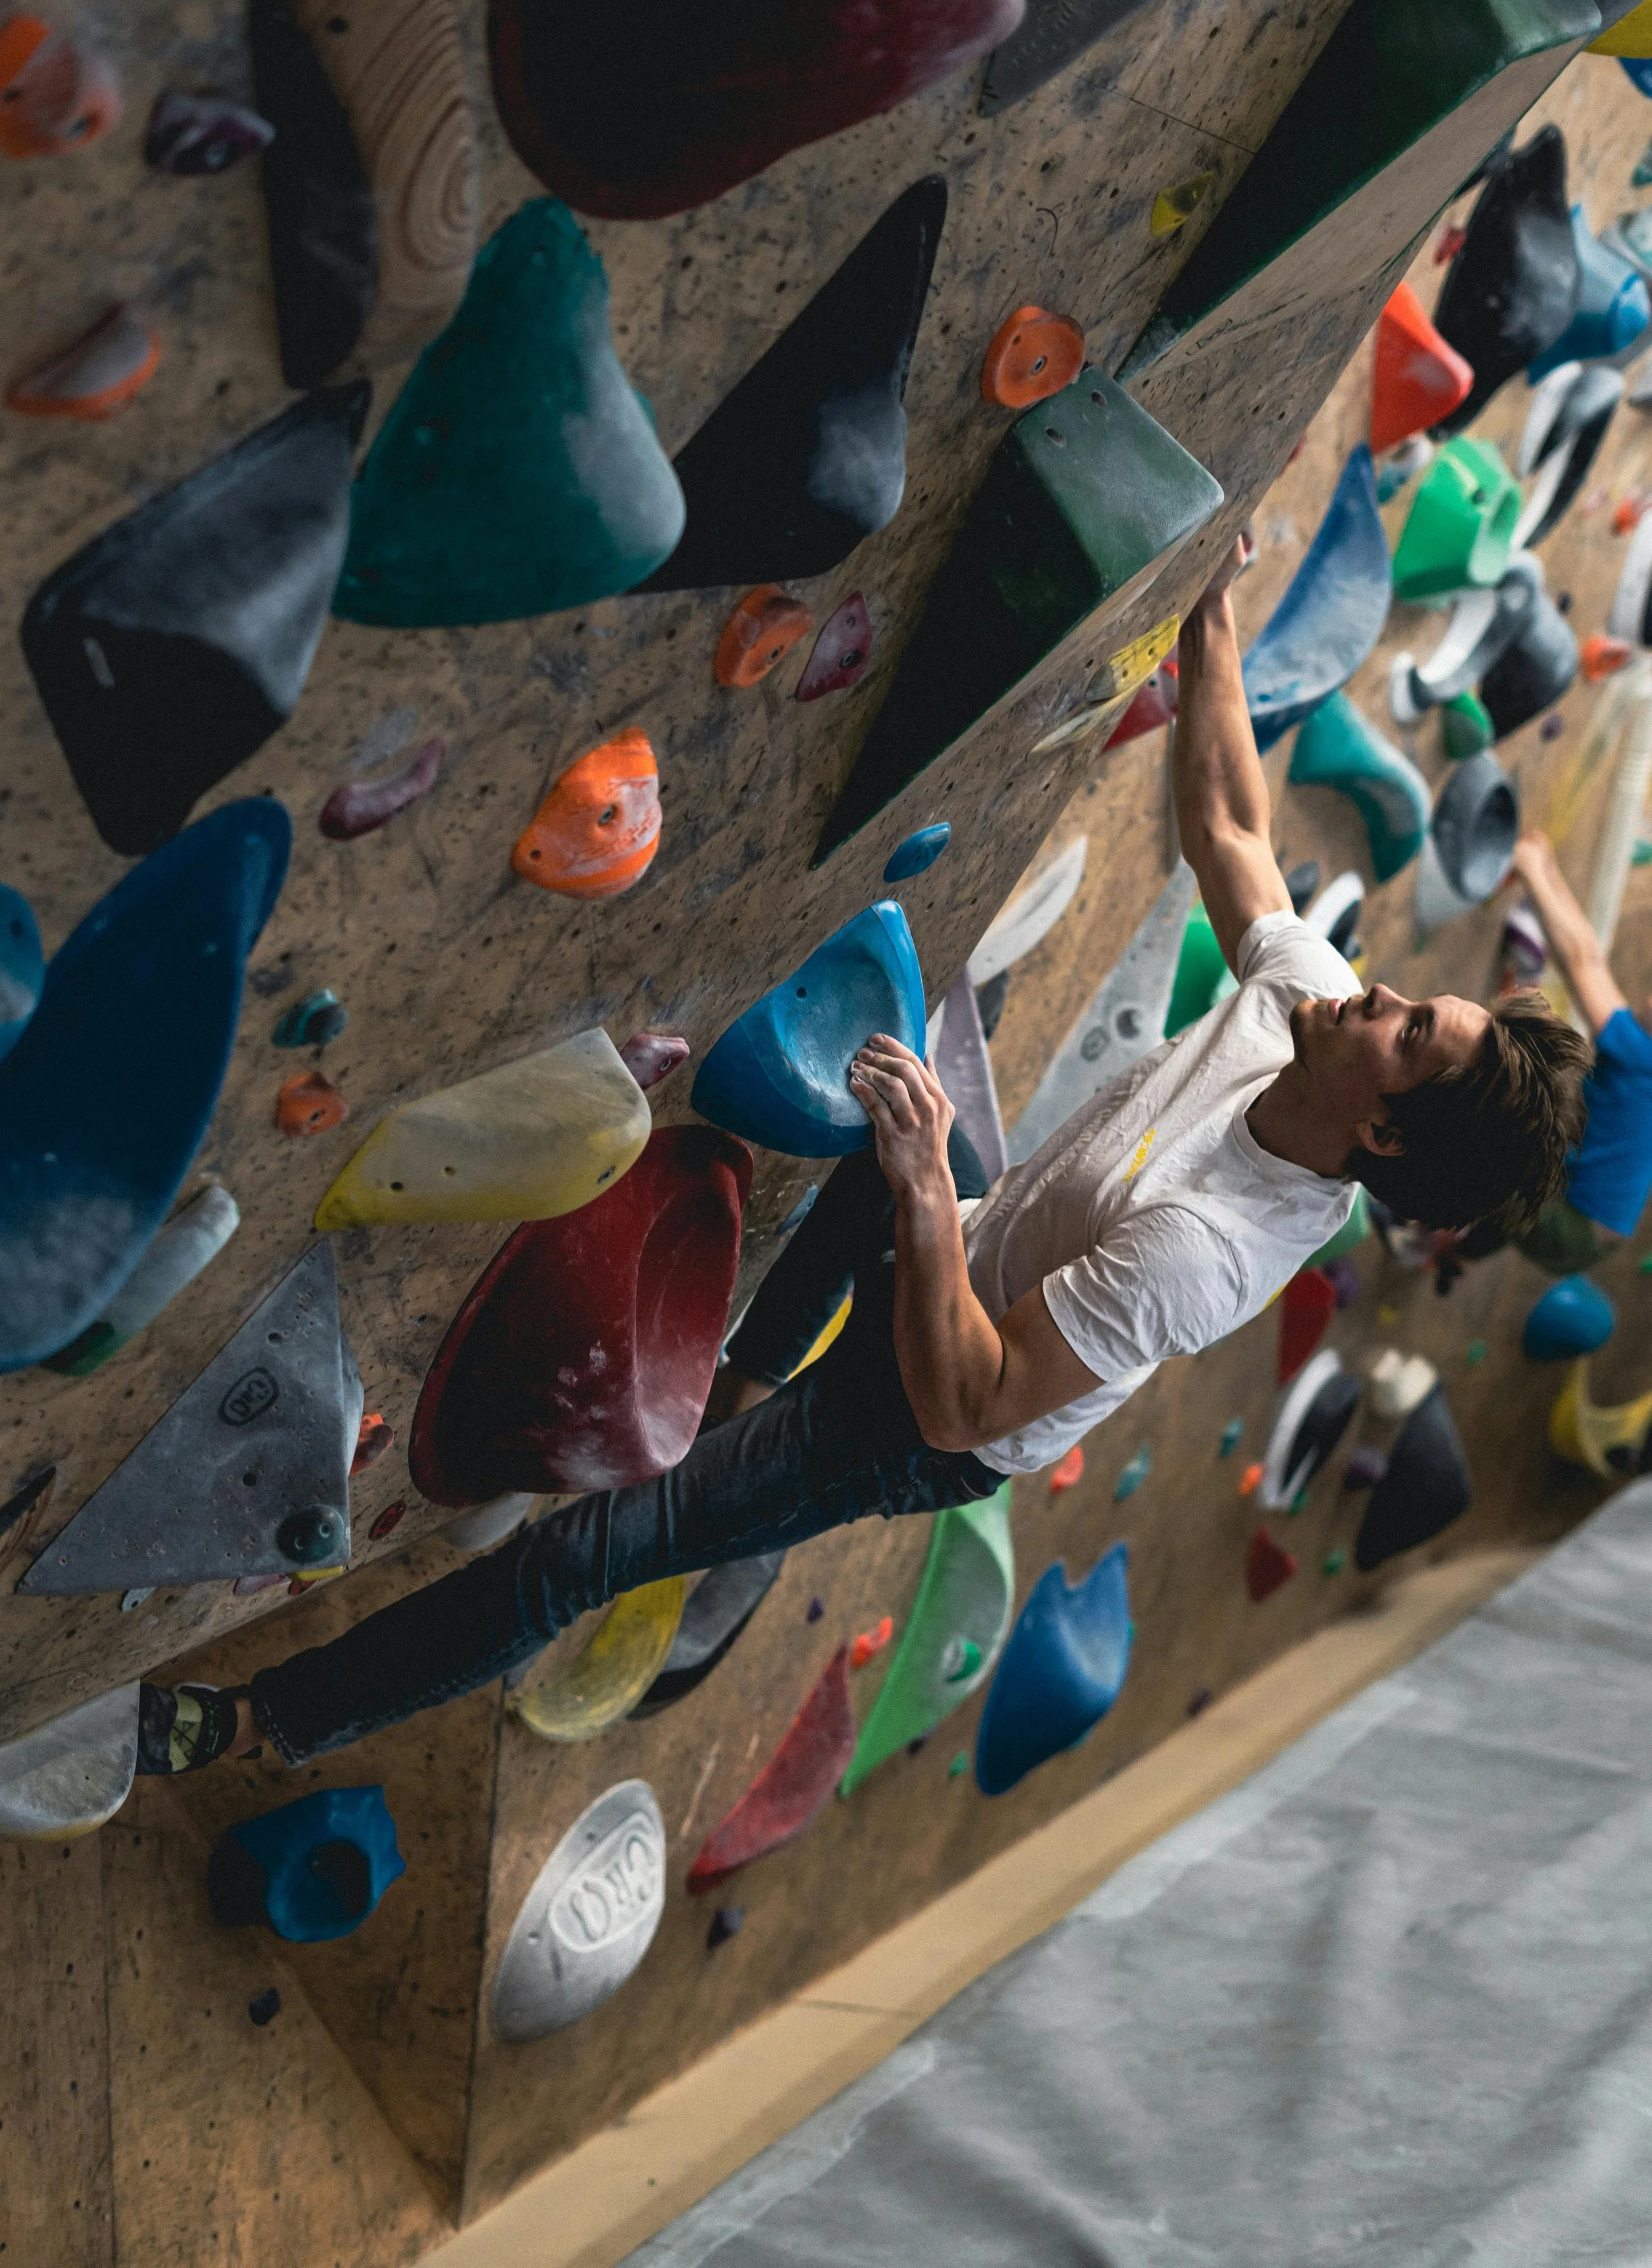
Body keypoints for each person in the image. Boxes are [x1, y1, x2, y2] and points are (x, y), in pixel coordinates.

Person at [138, 538, 1590, 1778]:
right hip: (983, 1243)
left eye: (1406, 1036)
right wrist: (1211, 610)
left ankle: (257, 1720)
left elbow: (965, 1399)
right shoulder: (1305, 1017)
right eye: (1412, 1001)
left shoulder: (1201, 1255)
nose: (1379, 998)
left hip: (913, 1418)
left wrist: (916, 1190)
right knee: (909, 1079)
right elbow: (1226, 822)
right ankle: (750, 1373)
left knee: (586, 1557)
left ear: (1382, 1128)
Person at [1506, 827, 1652, 1266]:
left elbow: (1580, 964)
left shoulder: (1640, 1058)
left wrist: (1532, 869)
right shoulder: (1644, 1055)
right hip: (1593, 1226)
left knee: (1494, 1134)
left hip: (1569, 1226)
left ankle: (1427, 1235)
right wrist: (1545, 868)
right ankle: (1459, 1250)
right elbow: (1591, 956)